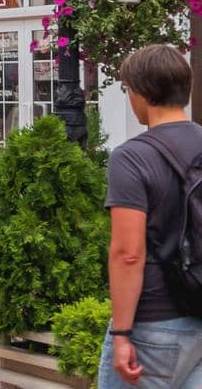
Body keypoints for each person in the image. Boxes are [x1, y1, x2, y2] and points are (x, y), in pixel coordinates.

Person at [100, 43, 202, 388]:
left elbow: (128, 254)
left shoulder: (131, 158)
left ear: (142, 93)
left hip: (155, 322)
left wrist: (122, 334)